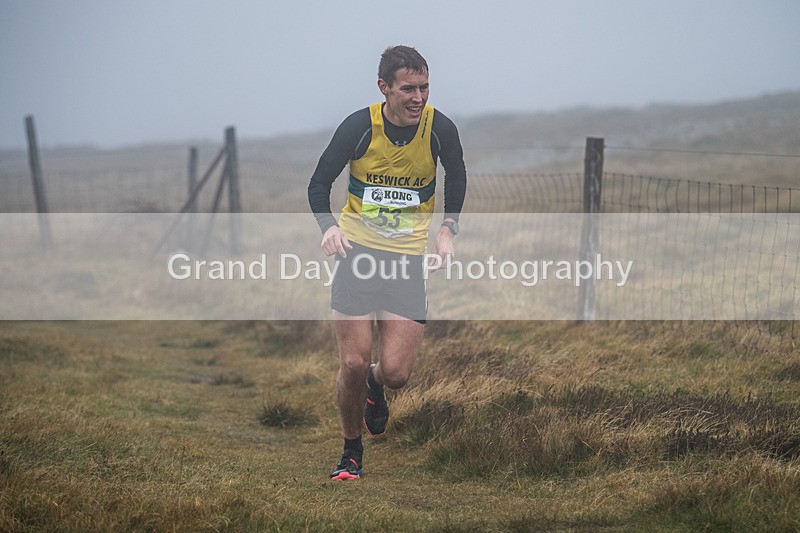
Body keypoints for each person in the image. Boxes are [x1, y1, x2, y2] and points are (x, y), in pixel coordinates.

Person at [307, 45, 467, 481]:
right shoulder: (359, 127)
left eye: (425, 87)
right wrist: (328, 227)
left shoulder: (439, 129)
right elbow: (320, 182)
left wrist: (447, 228)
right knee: (353, 364)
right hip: (355, 255)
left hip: (406, 261)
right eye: (408, 88)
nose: (418, 97)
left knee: (395, 373)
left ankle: (377, 387)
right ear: (384, 88)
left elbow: (457, 173)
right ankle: (351, 451)